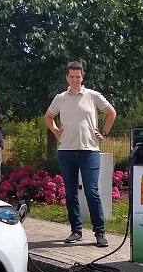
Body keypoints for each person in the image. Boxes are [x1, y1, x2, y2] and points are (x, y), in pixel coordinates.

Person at [44, 61, 117, 247]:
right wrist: (55, 131)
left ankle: (100, 232)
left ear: (82, 77)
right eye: (71, 76)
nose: (75, 80)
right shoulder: (60, 98)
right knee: (70, 193)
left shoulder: (92, 96)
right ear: (67, 77)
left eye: (78, 76)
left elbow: (111, 113)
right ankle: (76, 231)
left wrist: (105, 133)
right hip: (66, 152)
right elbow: (48, 116)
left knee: (92, 192)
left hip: (89, 151)